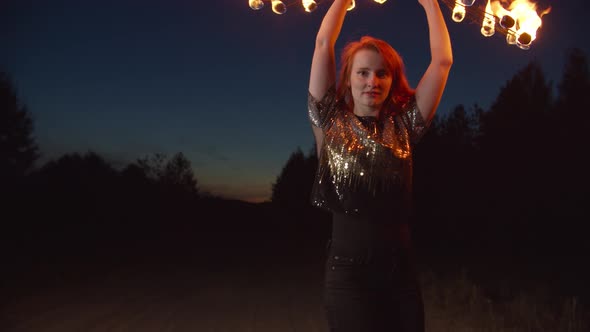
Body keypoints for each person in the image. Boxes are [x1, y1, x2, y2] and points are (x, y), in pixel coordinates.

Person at [307, 0, 452, 331]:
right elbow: (321, 43)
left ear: (391, 80)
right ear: (348, 79)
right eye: (363, 72)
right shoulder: (329, 122)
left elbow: (442, 62)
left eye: (381, 73)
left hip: (400, 275)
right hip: (348, 277)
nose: (372, 80)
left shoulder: (405, 126)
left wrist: (430, 3)